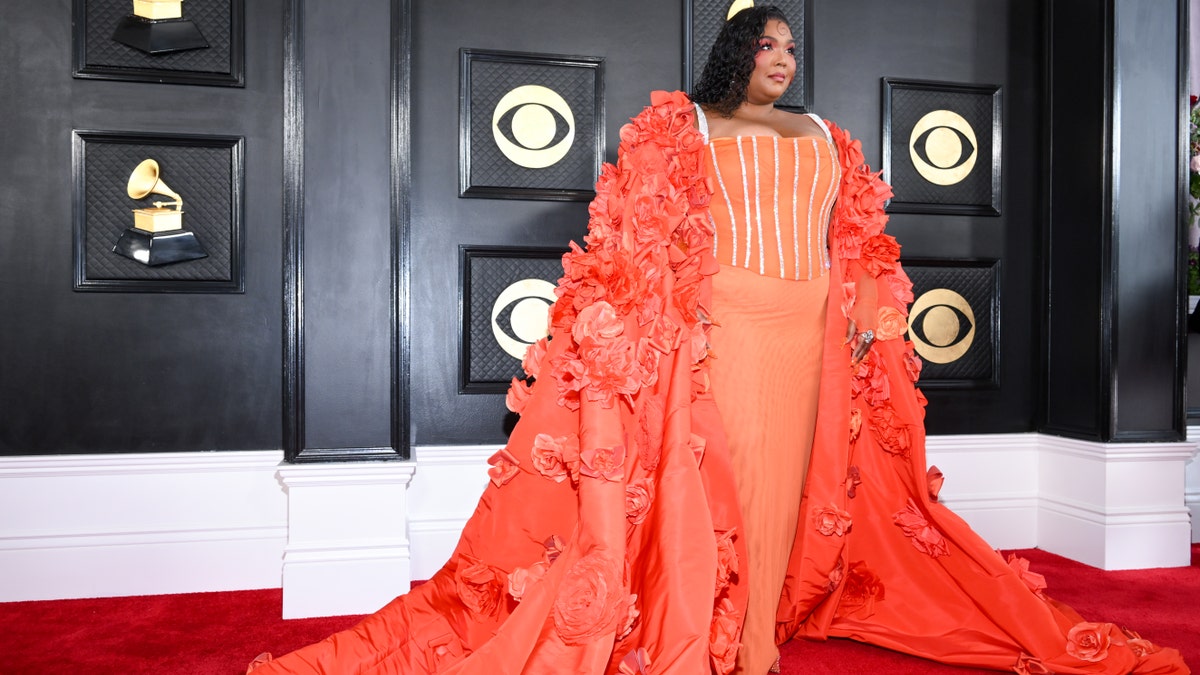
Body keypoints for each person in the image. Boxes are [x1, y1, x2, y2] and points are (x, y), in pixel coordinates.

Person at [248, 7, 1189, 675]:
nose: (782, 57)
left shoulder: (826, 133)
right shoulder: (686, 123)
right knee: (720, 478)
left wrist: (867, 310)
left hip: (808, 334)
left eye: (790, 46)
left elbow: (855, 238)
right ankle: (725, 637)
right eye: (766, 44)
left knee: (783, 479)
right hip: (722, 330)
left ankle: (760, 628)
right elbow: (636, 230)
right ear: (736, 50)